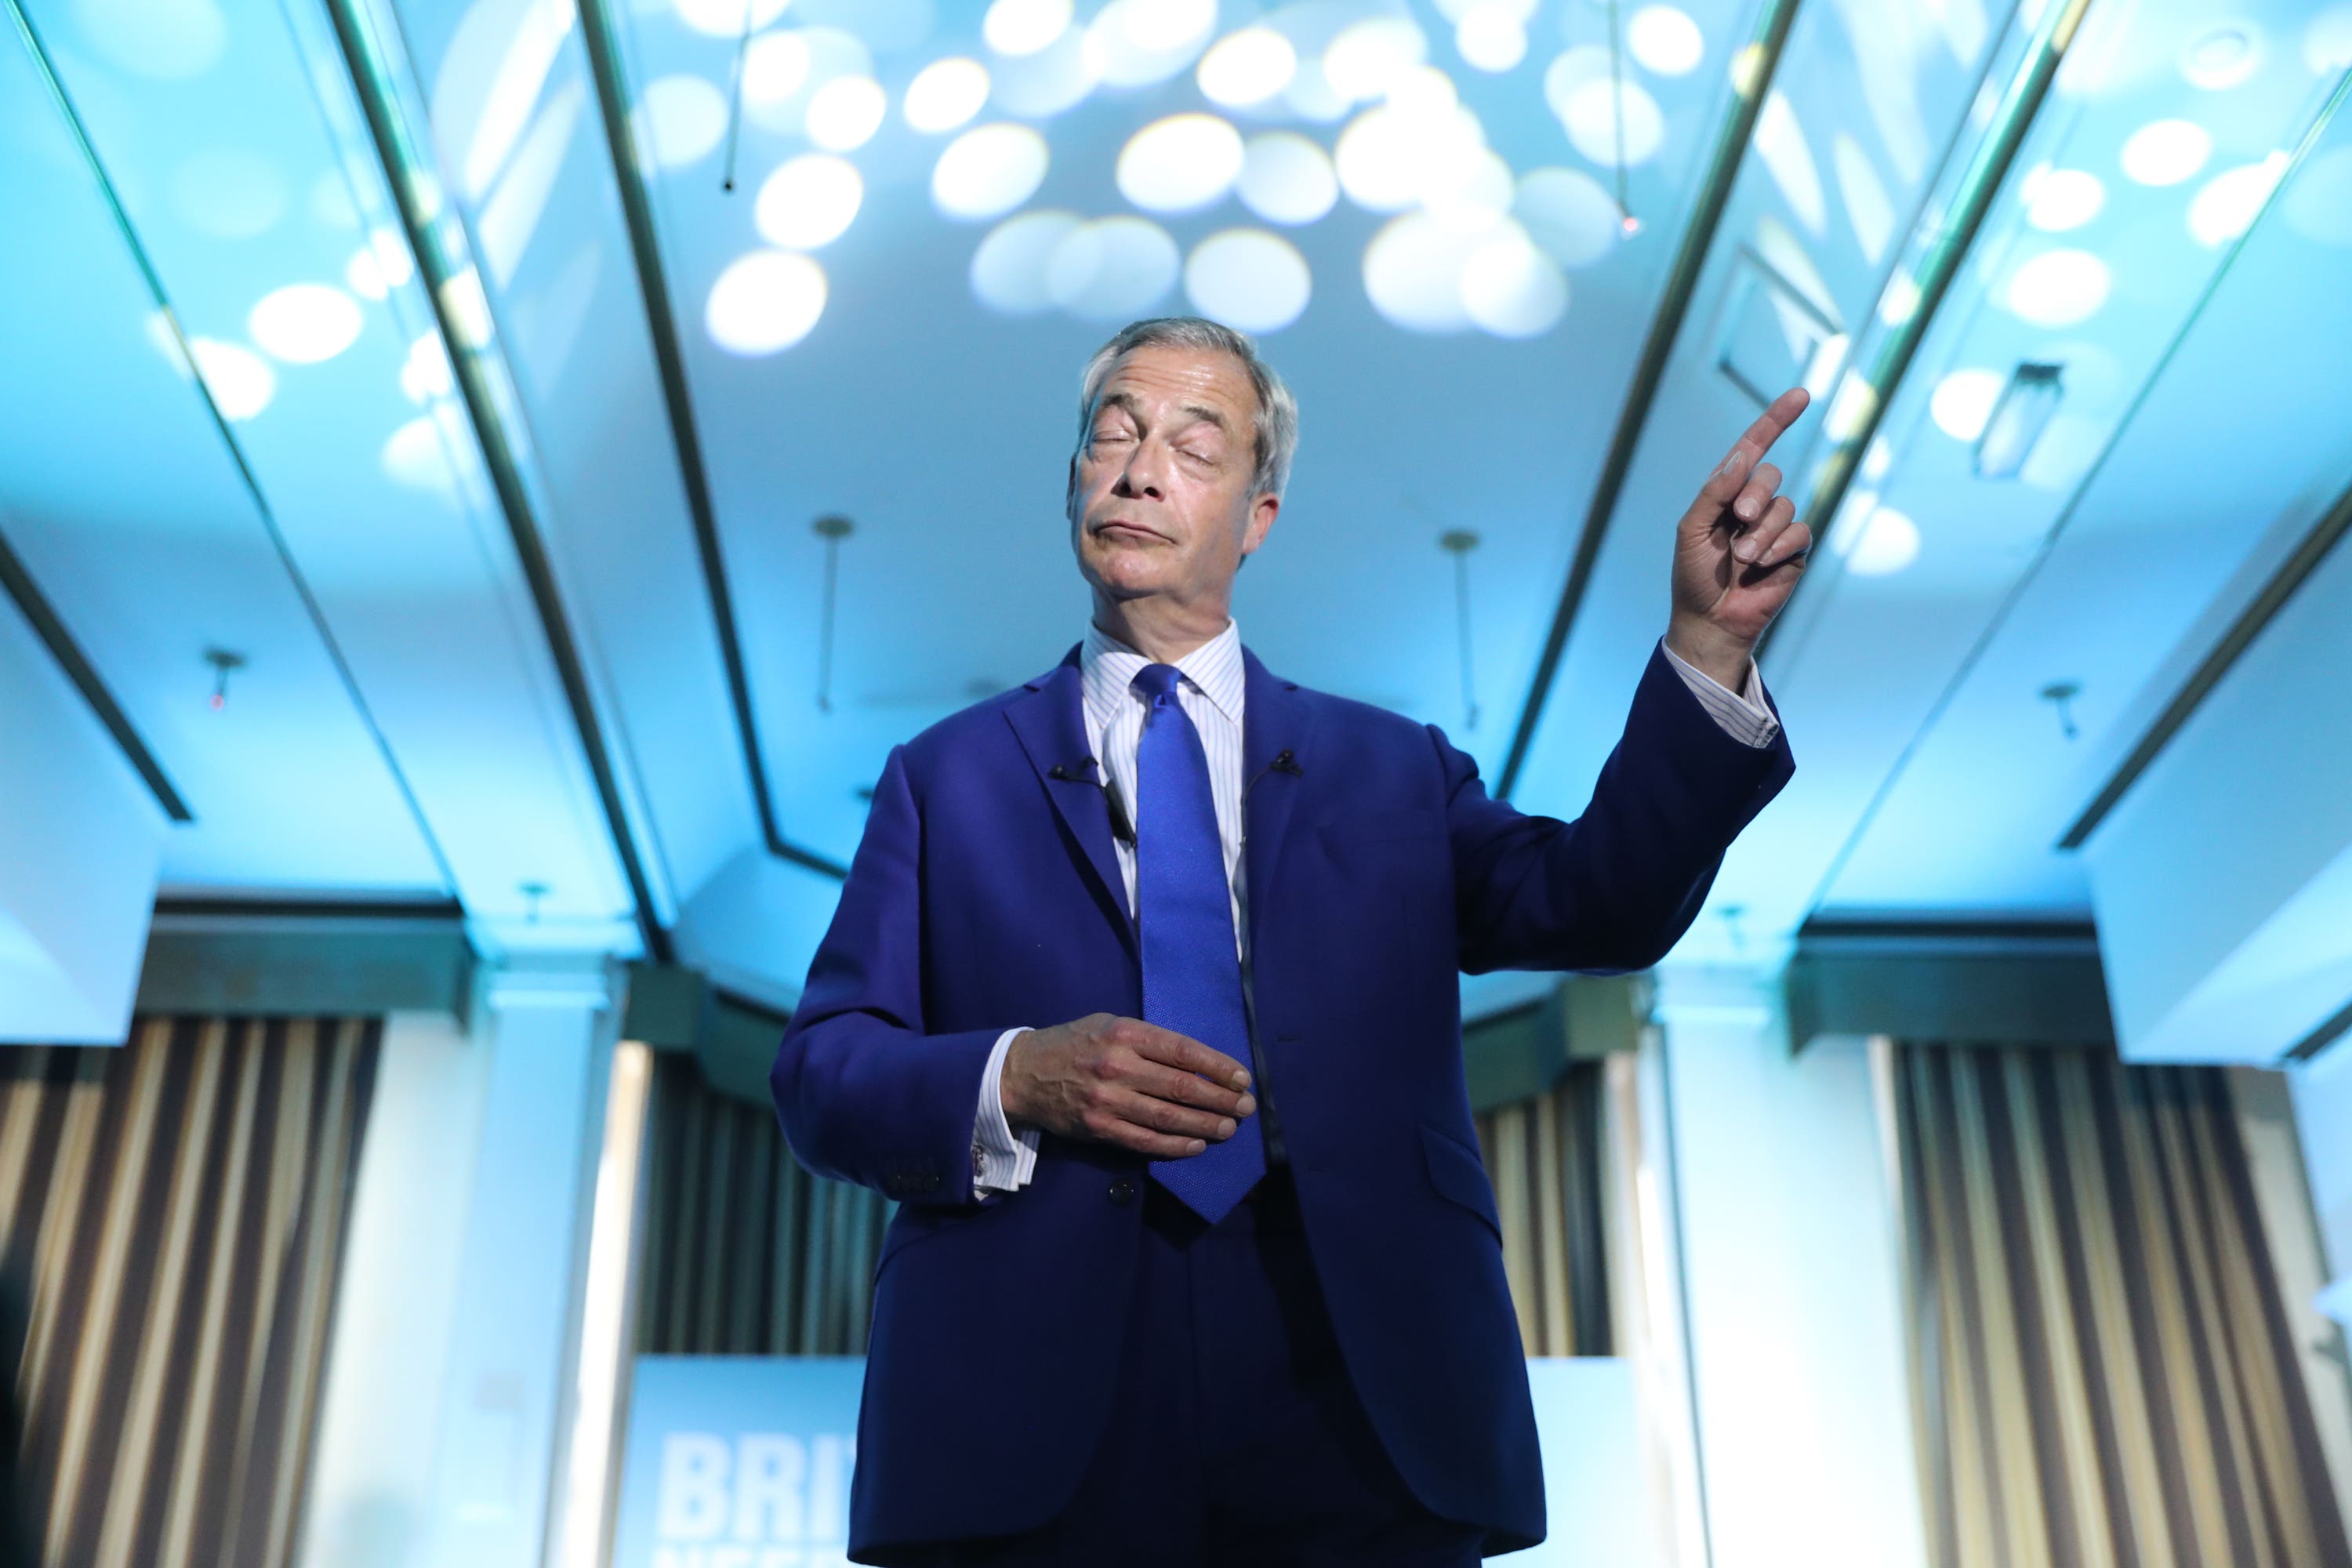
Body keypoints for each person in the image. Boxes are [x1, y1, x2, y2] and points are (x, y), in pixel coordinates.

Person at [771, 317, 1809, 1566]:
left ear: (1258, 516)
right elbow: (824, 1076)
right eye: (1114, 435)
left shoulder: (1394, 770)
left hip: (1359, 1383)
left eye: (1194, 448)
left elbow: (1602, 903)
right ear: (1073, 485)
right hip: (1030, 1394)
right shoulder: (943, 780)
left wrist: (1709, 646)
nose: (1141, 470)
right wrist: (1018, 1074)